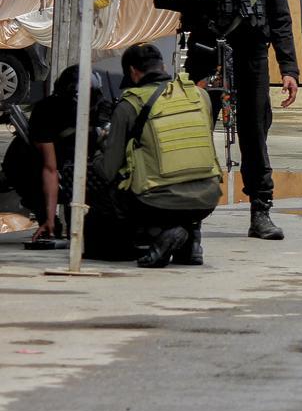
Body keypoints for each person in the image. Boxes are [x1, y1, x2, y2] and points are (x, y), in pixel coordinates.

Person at [153, 0, 299, 241]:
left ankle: (260, 211)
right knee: (196, 132)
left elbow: (280, 19)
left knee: (255, 131)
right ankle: (189, 215)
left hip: (252, 59)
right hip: (208, 54)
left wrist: (290, 70)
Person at [100, 43, 222, 268]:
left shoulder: (129, 105)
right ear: (164, 66)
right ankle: (191, 240)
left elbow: (109, 169)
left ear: (133, 72)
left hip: (157, 203)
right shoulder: (199, 94)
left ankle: (162, 233)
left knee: (109, 186)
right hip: (207, 198)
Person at [1, 65, 111, 242]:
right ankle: (49, 225)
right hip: (26, 165)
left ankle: (73, 225)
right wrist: (50, 218)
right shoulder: (48, 111)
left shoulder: (99, 108)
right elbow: (50, 169)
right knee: (38, 189)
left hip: (69, 163)